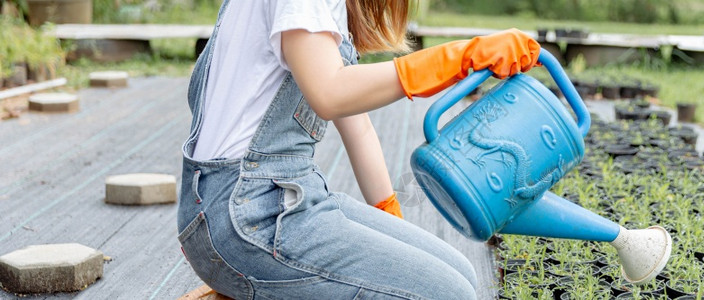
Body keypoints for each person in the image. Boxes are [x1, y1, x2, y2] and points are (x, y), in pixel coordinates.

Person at [176, 0, 539, 299]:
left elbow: (359, 127)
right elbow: (331, 92)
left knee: (459, 273)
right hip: (247, 215)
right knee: (449, 294)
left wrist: (389, 217)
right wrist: (460, 58)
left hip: (283, 197)